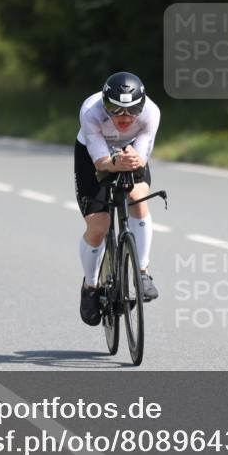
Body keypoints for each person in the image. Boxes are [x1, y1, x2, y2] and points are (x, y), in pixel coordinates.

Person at [74, 71, 161, 326]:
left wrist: (133, 160)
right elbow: (100, 161)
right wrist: (113, 162)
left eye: (132, 110)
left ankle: (143, 273)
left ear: (141, 106)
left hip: (131, 148)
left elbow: (142, 157)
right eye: (116, 109)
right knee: (99, 226)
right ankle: (90, 286)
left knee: (137, 198)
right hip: (94, 153)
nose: (124, 117)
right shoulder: (91, 112)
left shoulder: (151, 113)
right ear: (104, 104)